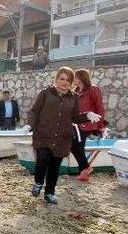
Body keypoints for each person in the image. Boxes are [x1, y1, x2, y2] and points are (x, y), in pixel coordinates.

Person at [27, 67, 102, 204]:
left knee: (55, 167)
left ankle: (49, 193)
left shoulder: (74, 97)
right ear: (56, 79)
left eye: (68, 80)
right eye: (62, 78)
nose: (64, 82)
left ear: (72, 82)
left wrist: (87, 115)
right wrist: (30, 124)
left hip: (62, 138)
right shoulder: (46, 93)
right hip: (43, 135)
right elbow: (34, 110)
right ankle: (38, 182)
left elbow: (75, 117)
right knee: (42, 160)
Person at [70, 69, 107, 182]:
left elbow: (99, 107)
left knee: (74, 145)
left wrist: (101, 125)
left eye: (75, 77)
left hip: (88, 123)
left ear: (81, 77)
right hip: (77, 123)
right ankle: (84, 172)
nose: (73, 79)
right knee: (78, 147)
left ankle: (85, 168)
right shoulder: (75, 91)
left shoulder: (93, 89)